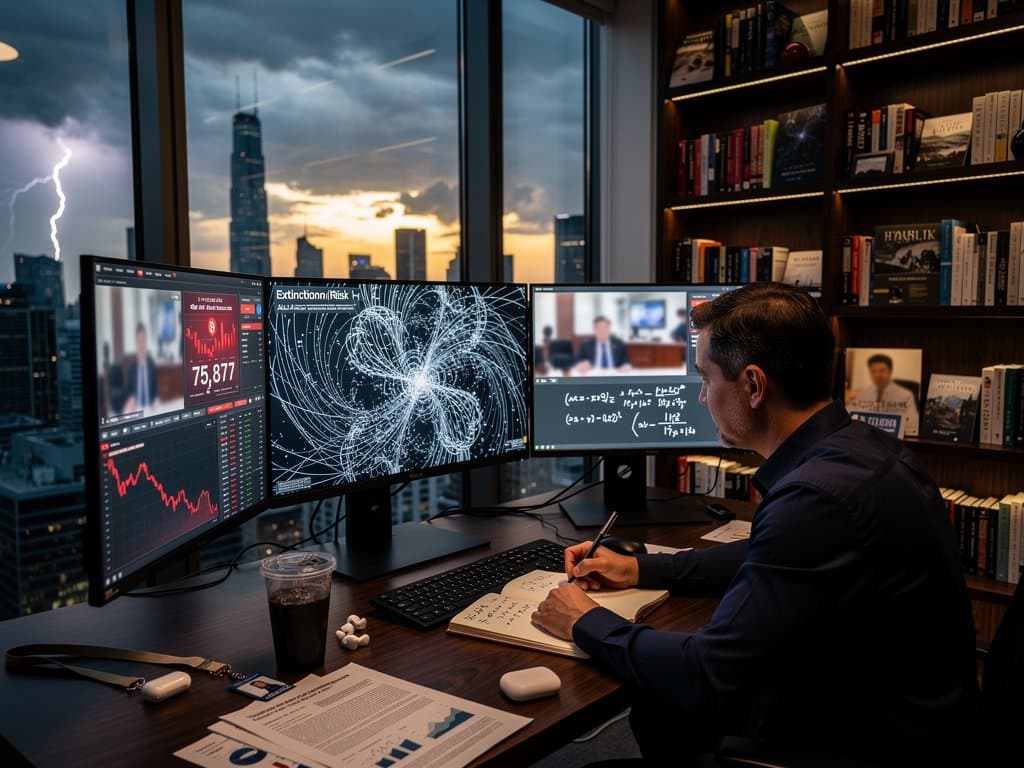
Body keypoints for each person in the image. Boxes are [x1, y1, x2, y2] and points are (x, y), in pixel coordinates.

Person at [532, 282, 977, 767]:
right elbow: (766, 554)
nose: (702, 398)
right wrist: (642, 569)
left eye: (705, 378)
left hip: (859, 745)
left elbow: (706, 676)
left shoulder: (815, 499)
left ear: (753, 385)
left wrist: (583, 620)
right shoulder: (862, 451)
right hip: (906, 719)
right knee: (658, 709)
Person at [849, 352, 920, 436]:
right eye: (873, 371)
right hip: (867, 437)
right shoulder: (863, 392)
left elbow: (913, 426)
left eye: (882, 371)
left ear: (890, 371)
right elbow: (851, 416)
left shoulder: (906, 395)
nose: (877, 375)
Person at [123, 322, 158, 414]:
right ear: (136, 342)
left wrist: (155, 401)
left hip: (150, 409)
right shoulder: (131, 368)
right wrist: (130, 398)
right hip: (136, 410)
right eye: (139, 341)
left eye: (144, 341)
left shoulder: (151, 366)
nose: (141, 345)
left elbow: (155, 392)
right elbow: (128, 391)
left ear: (146, 342)